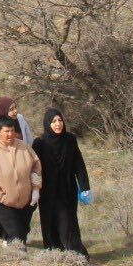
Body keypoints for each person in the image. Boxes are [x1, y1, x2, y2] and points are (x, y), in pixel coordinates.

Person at [33, 108, 91, 256]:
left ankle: (75, 254)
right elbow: (33, 168)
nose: (58, 124)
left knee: (68, 220)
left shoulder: (70, 139)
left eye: (60, 120)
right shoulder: (40, 143)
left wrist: (84, 187)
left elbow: (79, 164)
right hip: (47, 191)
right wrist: (33, 189)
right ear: (48, 123)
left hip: (67, 189)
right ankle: (55, 253)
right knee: (51, 221)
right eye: (54, 121)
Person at [0, 116, 41, 248]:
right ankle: (19, 262)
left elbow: (36, 167)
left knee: (22, 233)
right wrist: (1, 197)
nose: (10, 134)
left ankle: (12, 260)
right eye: (6, 131)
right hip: (4, 203)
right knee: (16, 235)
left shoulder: (24, 147)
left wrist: (36, 189)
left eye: (12, 130)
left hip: (26, 201)